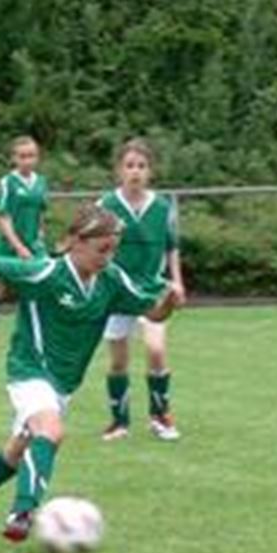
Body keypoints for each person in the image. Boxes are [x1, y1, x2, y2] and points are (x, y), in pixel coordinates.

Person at [0, 203, 177, 542]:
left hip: (62, 384)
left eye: (113, 250)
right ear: (75, 242)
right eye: (101, 249)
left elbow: (153, 311)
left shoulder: (111, 280)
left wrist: (169, 303)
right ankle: (23, 512)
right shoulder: (47, 273)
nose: (107, 257)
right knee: (51, 430)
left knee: (16, 453)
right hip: (29, 370)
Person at [97, 138, 186, 442]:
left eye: (141, 166)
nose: (135, 172)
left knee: (156, 350)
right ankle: (119, 422)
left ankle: (160, 416)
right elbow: (95, 247)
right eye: (129, 165)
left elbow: (172, 247)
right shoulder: (106, 205)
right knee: (119, 361)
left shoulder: (162, 207)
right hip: (118, 292)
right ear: (119, 171)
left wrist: (177, 281)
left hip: (152, 290)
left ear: (150, 171)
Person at [0, 136, 50, 350]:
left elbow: (41, 213)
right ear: (14, 159)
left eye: (32, 155)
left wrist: (40, 237)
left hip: (33, 245)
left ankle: (35, 337)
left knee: (41, 285)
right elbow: (3, 217)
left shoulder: (41, 182)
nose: (28, 160)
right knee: (0, 286)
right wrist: (18, 246)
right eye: (23, 156)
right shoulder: (7, 183)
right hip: (10, 246)